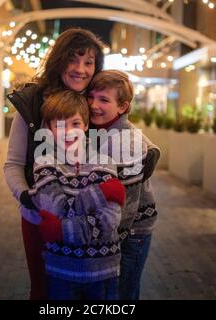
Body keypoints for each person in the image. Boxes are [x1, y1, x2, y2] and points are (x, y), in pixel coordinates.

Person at [4, 28, 160, 300]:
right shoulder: (32, 104)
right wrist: (26, 195)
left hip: (92, 220)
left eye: (88, 62)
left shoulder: (91, 100)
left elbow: (122, 124)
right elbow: (13, 164)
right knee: (45, 291)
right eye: (73, 59)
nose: (80, 69)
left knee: (91, 293)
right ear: (59, 60)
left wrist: (151, 148)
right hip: (44, 215)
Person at [25, 90, 126, 300]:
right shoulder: (44, 164)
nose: (68, 132)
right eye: (59, 125)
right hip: (61, 271)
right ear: (50, 129)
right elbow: (56, 209)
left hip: (103, 273)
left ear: (87, 125)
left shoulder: (105, 162)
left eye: (75, 124)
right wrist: (100, 193)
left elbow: (109, 223)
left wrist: (60, 230)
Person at [87, 70, 158, 300]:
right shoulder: (102, 130)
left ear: (123, 107)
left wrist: (104, 241)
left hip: (130, 235)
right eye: (91, 97)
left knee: (120, 294)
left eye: (104, 100)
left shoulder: (126, 143)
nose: (93, 105)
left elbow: (126, 208)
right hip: (120, 232)